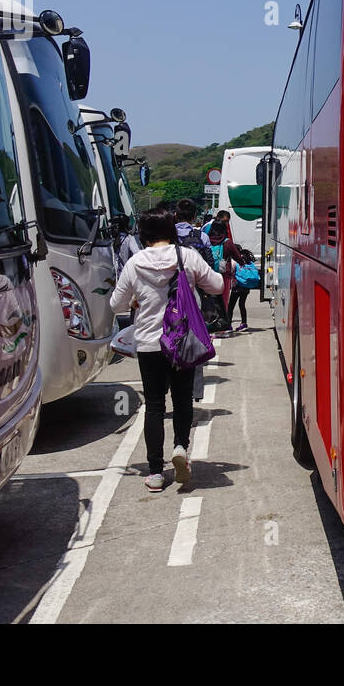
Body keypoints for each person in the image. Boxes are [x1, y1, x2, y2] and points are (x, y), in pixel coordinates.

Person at [108, 206, 224, 491]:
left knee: (155, 406)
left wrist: (137, 300)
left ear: (144, 234)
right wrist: (194, 284)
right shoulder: (187, 256)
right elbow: (218, 286)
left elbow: (116, 306)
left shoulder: (135, 263)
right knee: (183, 400)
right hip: (183, 341)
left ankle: (156, 473)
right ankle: (181, 448)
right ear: (171, 230)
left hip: (149, 344)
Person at [205, 210, 249, 334]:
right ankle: (221, 325)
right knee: (223, 299)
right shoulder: (227, 242)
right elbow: (237, 257)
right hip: (223, 273)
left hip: (207, 273)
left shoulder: (206, 239)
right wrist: (243, 262)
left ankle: (210, 322)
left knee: (209, 299)